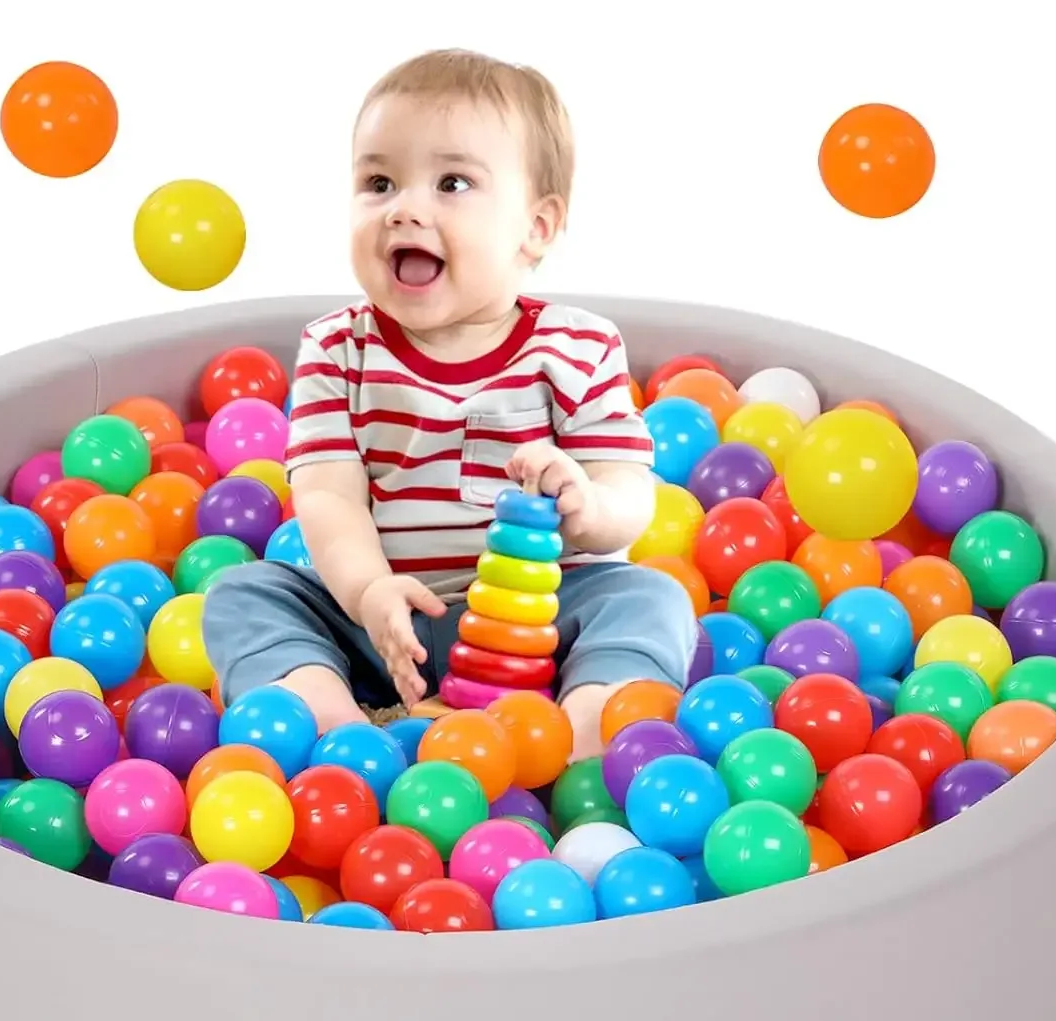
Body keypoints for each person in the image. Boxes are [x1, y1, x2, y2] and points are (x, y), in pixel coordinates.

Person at [202, 48, 696, 763]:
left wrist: (586, 504)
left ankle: (585, 735)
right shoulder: (337, 349)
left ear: (536, 227)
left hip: (542, 625)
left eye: (453, 183)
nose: (404, 208)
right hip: (385, 628)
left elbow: (628, 492)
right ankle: (337, 735)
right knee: (244, 593)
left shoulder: (577, 346)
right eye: (379, 183)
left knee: (651, 598)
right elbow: (329, 498)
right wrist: (369, 594)